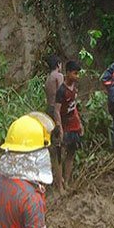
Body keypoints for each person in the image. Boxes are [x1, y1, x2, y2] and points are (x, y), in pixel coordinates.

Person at [53, 60, 83, 191]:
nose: (77, 76)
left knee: (71, 154)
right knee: (60, 155)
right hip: (64, 127)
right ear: (68, 73)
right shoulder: (61, 91)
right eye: (75, 73)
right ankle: (59, 185)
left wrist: (80, 123)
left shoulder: (74, 88)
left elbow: (73, 106)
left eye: (78, 74)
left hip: (74, 126)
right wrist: (59, 128)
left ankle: (67, 182)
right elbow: (56, 110)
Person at [44, 55, 65, 190]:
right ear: (58, 64)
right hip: (58, 111)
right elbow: (63, 95)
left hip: (48, 111)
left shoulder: (47, 80)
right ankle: (60, 182)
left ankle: (55, 177)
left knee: (52, 146)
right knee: (60, 146)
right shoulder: (58, 77)